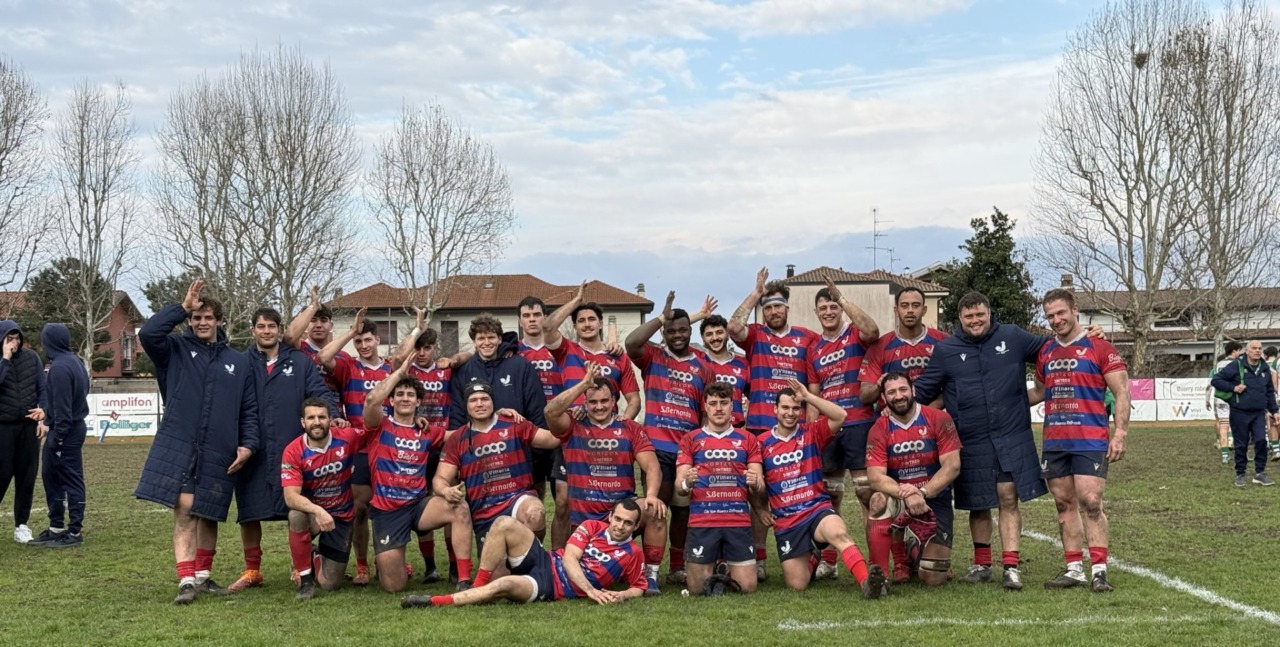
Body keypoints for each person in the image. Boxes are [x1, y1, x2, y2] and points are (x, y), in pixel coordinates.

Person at [912, 291, 1050, 591]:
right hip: (969, 439)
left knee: (1008, 497)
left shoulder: (1013, 336)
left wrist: (1087, 336)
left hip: (1011, 433)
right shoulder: (946, 350)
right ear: (960, 319)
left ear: (989, 313)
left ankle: (1011, 567)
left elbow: (1052, 349)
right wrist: (893, 408)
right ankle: (982, 564)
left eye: (980, 315)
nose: (975, 321)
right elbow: (921, 393)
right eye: (969, 316)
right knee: (979, 503)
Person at [134, 279, 259, 604]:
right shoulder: (174, 350)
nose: (202, 322)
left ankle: (203, 576)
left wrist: (247, 444)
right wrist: (181, 307)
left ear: (218, 321)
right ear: (189, 320)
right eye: (196, 317)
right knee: (186, 508)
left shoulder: (238, 361)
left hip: (221, 446)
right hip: (183, 442)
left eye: (208, 317)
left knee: (209, 510)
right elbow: (148, 334)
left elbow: (248, 408)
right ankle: (186, 580)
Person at [227, 308, 338, 592]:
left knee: (297, 511)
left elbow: (320, 393)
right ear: (253, 330)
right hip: (253, 449)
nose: (266, 331)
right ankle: (252, 570)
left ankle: (299, 566)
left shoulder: (299, 361)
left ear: (280, 329)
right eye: (261, 326)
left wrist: (334, 415)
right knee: (249, 512)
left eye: (271, 326)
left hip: (292, 450)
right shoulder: (240, 362)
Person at [1029, 288, 1129, 593]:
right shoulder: (1045, 352)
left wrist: (1120, 433)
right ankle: (1074, 569)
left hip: (1090, 439)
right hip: (1055, 441)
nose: (1056, 320)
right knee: (1063, 503)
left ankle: (1099, 571)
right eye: (1050, 316)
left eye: (1061, 313)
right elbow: (1039, 391)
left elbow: (1122, 392)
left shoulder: (1100, 347)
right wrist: (1003, 400)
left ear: (1075, 310)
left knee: (1091, 501)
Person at [727, 268, 821, 581]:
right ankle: (759, 557)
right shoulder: (756, 335)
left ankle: (813, 551)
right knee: (757, 490)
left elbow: (814, 383)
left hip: (796, 428)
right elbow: (733, 327)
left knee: (799, 490)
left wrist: (811, 423)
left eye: (778, 306)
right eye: (767, 307)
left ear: (787, 308)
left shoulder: (806, 337)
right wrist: (756, 293)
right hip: (760, 427)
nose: (773, 312)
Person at [756, 378, 885, 597]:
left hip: (816, 509)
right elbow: (756, 484)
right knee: (797, 584)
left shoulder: (811, 432)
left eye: (795, 408)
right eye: (785, 408)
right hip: (787, 520)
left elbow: (840, 415)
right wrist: (760, 509)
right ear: (775, 409)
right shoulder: (760, 443)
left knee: (838, 533)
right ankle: (814, 553)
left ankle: (868, 583)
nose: (790, 413)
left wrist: (808, 397)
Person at [546, 362, 665, 594]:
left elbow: (652, 466)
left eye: (604, 401)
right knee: (561, 507)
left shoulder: (630, 428)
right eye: (593, 402)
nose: (599, 406)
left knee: (655, 509)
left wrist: (651, 495)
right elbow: (550, 412)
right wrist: (583, 385)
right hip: (585, 521)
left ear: (614, 401)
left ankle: (650, 576)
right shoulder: (572, 425)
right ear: (584, 402)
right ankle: (557, 562)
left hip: (621, 514)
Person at [856, 286, 948, 583]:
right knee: (882, 498)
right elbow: (864, 394)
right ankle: (892, 566)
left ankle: (919, 550)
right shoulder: (881, 345)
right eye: (904, 305)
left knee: (934, 576)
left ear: (924, 309)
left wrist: (922, 413)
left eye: (915, 305)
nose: (910, 310)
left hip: (932, 431)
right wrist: (880, 387)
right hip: (893, 435)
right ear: (896, 310)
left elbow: (954, 385)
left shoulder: (942, 342)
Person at [400, 499, 648, 608]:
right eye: (618, 519)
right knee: (503, 523)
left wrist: (622, 595)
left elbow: (639, 586)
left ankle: (433, 601)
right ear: (610, 517)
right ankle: (476, 588)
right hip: (546, 559)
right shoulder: (593, 526)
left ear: (635, 527)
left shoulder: (633, 553)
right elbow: (570, 557)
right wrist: (591, 590)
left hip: (550, 585)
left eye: (628, 523)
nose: (620, 526)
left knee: (504, 585)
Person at [362, 358, 473, 593]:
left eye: (410, 395)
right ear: (391, 400)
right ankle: (394, 563)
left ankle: (463, 579)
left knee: (459, 507)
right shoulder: (379, 426)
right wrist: (399, 373)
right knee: (394, 586)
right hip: (387, 511)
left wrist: (495, 417)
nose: (405, 398)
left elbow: (460, 434)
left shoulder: (427, 431)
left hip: (417, 506)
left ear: (418, 401)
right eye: (400, 394)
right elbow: (371, 400)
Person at [624, 291, 713, 586]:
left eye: (682, 330)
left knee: (683, 511)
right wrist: (661, 317)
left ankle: (676, 567)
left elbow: (705, 413)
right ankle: (647, 570)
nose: (677, 335)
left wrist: (700, 449)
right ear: (664, 332)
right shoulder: (653, 356)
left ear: (690, 331)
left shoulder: (704, 367)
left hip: (687, 451)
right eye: (671, 331)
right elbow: (631, 343)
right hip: (657, 448)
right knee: (656, 510)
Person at [804, 278, 881, 578]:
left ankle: (875, 560)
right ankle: (830, 561)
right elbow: (814, 394)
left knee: (866, 494)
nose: (828, 312)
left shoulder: (854, 334)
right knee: (830, 495)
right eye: (823, 307)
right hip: (829, 428)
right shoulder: (814, 349)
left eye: (833, 306)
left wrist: (843, 299)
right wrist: (811, 435)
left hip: (860, 422)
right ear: (816, 312)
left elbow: (872, 331)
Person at [435, 380, 566, 550]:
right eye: (473, 400)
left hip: (518, 499)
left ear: (493, 402)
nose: (479, 404)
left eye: (484, 399)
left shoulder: (514, 423)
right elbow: (440, 478)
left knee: (535, 513)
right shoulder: (457, 439)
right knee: (497, 567)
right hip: (484, 513)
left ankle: (534, 555)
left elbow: (552, 439)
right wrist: (445, 490)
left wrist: (575, 422)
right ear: (466, 405)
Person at [866, 372, 962, 587]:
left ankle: (913, 548)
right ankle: (879, 578)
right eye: (891, 392)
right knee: (878, 500)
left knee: (934, 578)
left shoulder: (938, 418)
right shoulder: (878, 428)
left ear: (913, 390)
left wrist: (922, 492)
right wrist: (906, 493)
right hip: (900, 497)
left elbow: (952, 466)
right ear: (884, 398)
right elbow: (875, 477)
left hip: (934, 496)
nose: (898, 396)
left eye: (903, 389)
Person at [318, 306, 391, 586]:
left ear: (378, 340)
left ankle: (390, 559)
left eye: (367, 339)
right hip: (359, 447)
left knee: (389, 506)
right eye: (359, 341)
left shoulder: (391, 368)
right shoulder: (349, 366)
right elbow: (324, 357)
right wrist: (350, 333)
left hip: (388, 447)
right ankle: (362, 564)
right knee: (359, 508)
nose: (363, 345)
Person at [675, 382, 764, 595]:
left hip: (737, 521)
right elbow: (680, 487)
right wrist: (688, 483)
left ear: (732, 406)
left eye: (723, 403)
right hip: (702, 522)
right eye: (713, 403)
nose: (718, 408)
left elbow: (759, 485)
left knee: (748, 587)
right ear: (705, 406)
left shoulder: (748, 439)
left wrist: (755, 482)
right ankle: (718, 568)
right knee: (697, 589)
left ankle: (723, 569)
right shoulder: (690, 439)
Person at [281, 398, 365, 599]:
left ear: (330, 419)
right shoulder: (293, 450)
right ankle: (305, 580)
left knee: (329, 584)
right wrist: (318, 511)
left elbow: (375, 430)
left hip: (342, 515)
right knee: (296, 514)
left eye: (321, 417)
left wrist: (415, 420)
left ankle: (314, 555)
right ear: (303, 422)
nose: (317, 422)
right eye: (311, 418)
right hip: (313, 514)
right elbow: (291, 497)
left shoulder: (347, 436)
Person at [28, 323, 88, 547]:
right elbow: (73, 398)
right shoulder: (75, 362)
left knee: (70, 478)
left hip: (66, 431)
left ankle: (74, 531)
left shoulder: (60, 368)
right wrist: (48, 414)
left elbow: (64, 408)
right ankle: (56, 527)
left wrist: (59, 435)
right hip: (66, 428)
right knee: (51, 476)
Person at [0, 319, 45, 545]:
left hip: (28, 427)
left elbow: (43, 388)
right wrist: (5, 360)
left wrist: (44, 413)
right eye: (10, 338)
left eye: (17, 338)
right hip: (3, 428)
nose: (15, 343)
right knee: (2, 475)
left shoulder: (32, 358)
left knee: (27, 478)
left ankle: (22, 525)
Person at [1211, 340, 1278, 488]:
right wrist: (1233, 388)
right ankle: (1240, 473)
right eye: (1254, 348)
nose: (1257, 351)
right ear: (1246, 351)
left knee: (1261, 441)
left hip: (1258, 412)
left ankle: (1260, 473)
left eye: (1259, 348)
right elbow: (1216, 380)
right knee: (1241, 444)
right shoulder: (1236, 365)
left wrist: (1274, 411)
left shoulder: (1264, 368)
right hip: (1239, 412)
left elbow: (1269, 391)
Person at [285, 286, 350, 394]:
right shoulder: (298, 349)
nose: (318, 325)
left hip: (334, 404)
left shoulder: (344, 356)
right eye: (313, 320)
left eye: (323, 320)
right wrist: (313, 306)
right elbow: (290, 336)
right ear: (306, 325)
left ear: (331, 325)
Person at [697, 314, 748, 429]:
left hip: (735, 429)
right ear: (703, 338)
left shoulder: (744, 364)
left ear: (728, 334)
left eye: (719, 332)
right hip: (705, 430)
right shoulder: (697, 361)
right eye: (709, 334)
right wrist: (699, 315)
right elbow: (674, 332)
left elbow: (754, 398)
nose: (715, 338)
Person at [1206, 342, 1243, 465]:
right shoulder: (1238, 364)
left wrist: (1207, 400)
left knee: (1223, 425)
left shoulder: (1217, 366)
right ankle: (1237, 448)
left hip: (1220, 398)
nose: (1239, 353)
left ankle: (1225, 455)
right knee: (1239, 425)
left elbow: (1210, 384)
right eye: (1239, 350)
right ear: (1234, 351)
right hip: (1234, 398)